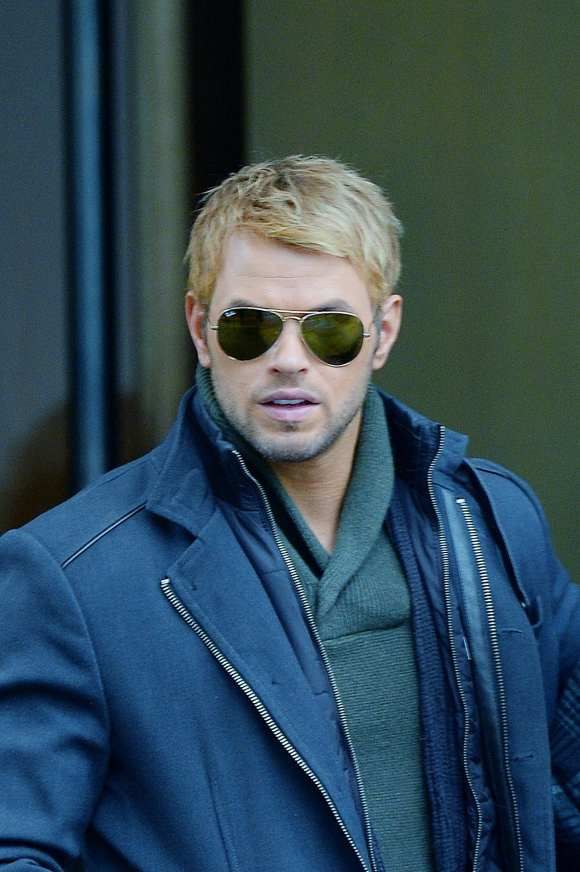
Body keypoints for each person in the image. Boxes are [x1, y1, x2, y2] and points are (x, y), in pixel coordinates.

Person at [0, 156, 578, 872]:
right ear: (200, 329)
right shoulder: (73, 577)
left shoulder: (491, 523)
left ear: (384, 332)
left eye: (329, 330)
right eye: (251, 328)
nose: (289, 359)